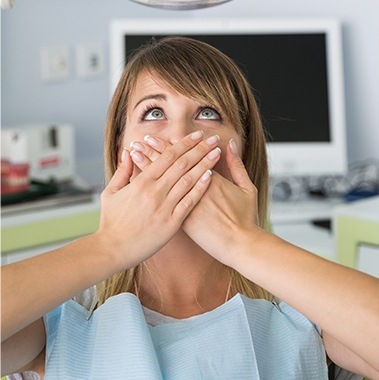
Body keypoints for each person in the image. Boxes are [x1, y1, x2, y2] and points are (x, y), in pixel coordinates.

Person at [2, 36, 379, 380]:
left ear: (243, 152)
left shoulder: (307, 314)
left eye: (208, 113)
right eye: (153, 113)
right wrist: (111, 245)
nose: (180, 138)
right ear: (121, 152)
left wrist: (243, 242)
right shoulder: (62, 321)